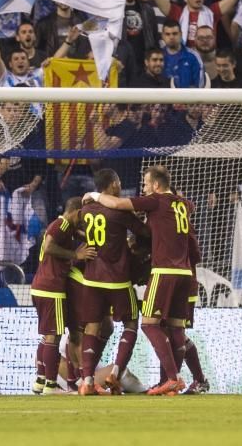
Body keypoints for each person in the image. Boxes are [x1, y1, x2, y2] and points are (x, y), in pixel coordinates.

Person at [87, 165, 196, 396]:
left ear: (156, 186)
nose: (144, 188)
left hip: (164, 271)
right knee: (176, 330)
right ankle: (170, 384)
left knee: (148, 324)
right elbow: (185, 209)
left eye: (146, 184)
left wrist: (93, 195)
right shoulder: (184, 204)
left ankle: (173, 379)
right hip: (185, 274)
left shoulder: (155, 200)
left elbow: (117, 204)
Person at [76, 169, 147, 396]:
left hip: (92, 279)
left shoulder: (85, 209)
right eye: (118, 182)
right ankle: (115, 374)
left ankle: (87, 381)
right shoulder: (118, 211)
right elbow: (145, 232)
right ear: (113, 184)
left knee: (92, 326)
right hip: (116, 278)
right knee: (131, 323)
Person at [29, 198, 94, 396]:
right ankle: (51, 384)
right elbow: (48, 247)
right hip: (51, 287)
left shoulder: (64, 227)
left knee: (47, 335)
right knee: (53, 336)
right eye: (82, 216)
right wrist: (76, 255)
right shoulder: (61, 225)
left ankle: (40, 381)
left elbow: (81, 234)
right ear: (75, 211)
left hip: (40, 287)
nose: (83, 220)